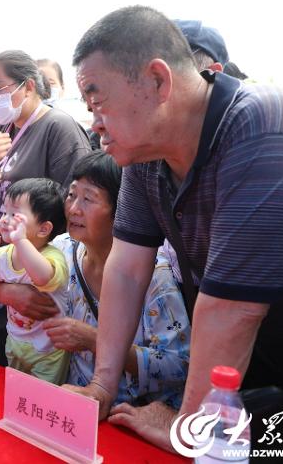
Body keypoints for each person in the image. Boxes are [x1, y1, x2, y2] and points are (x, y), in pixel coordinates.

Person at [68, 5, 283, 451]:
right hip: (252, 366)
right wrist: (101, 388)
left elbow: (231, 308)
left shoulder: (263, 124)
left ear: (158, 80)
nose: (94, 123)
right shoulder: (148, 156)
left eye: (98, 101)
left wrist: (188, 426)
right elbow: (126, 268)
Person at [42, 152, 190, 408]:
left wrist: (93, 339)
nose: (74, 209)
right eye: (72, 194)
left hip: (128, 419)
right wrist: (7, 292)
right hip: (74, 405)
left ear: (122, 210)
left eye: (88, 199)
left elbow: (179, 365)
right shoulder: (61, 251)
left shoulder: (154, 278)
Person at [0, 49, 92, 365]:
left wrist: (37, 267)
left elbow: (74, 210)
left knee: (37, 361)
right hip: (2, 258)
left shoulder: (58, 128)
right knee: (0, 359)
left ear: (27, 86)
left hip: (39, 264)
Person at [0, 178, 70, 384]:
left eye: (14, 215)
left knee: (43, 399)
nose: (4, 219)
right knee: (18, 394)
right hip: (15, 341)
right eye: (5, 212)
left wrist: (21, 241)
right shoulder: (3, 255)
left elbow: (43, 278)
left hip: (48, 351)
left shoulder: (52, 256)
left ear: (43, 229)